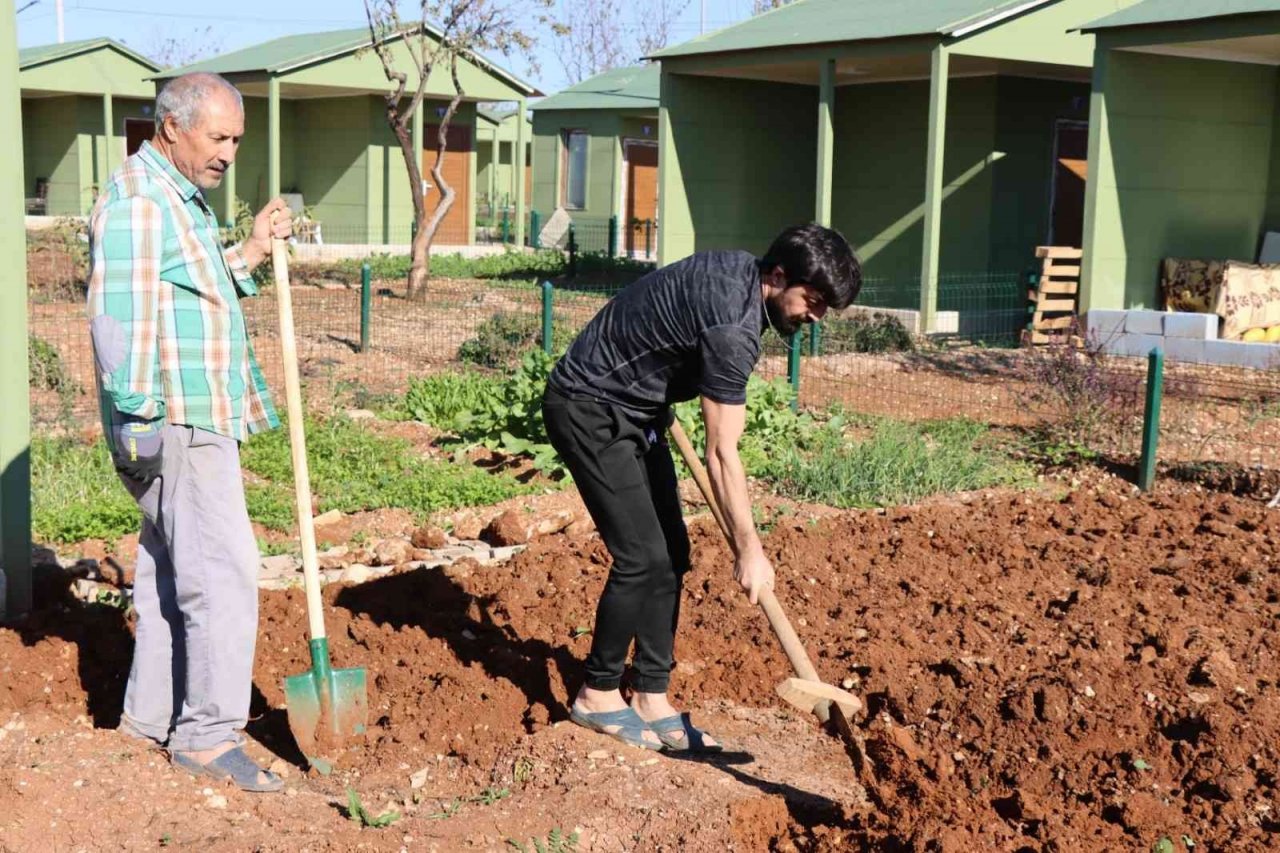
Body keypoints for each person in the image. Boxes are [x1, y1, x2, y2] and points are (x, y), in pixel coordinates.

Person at [543, 224, 861, 751]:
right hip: (588, 405)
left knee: (672, 553)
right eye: (813, 300)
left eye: (826, 307)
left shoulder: (741, 273)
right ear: (778, 276)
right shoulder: (734, 329)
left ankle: (650, 693)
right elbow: (721, 453)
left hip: (639, 406)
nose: (816, 316)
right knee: (640, 557)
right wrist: (749, 549)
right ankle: (596, 694)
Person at [86, 72, 292, 792]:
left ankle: (146, 722)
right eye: (219, 136)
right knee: (225, 574)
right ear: (172, 128)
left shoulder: (176, 201)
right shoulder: (141, 204)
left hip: (185, 415)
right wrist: (140, 420)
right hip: (175, 419)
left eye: (236, 138)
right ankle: (207, 736)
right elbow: (118, 321)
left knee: (171, 571)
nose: (229, 151)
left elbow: (190, 283)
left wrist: (255, 249)